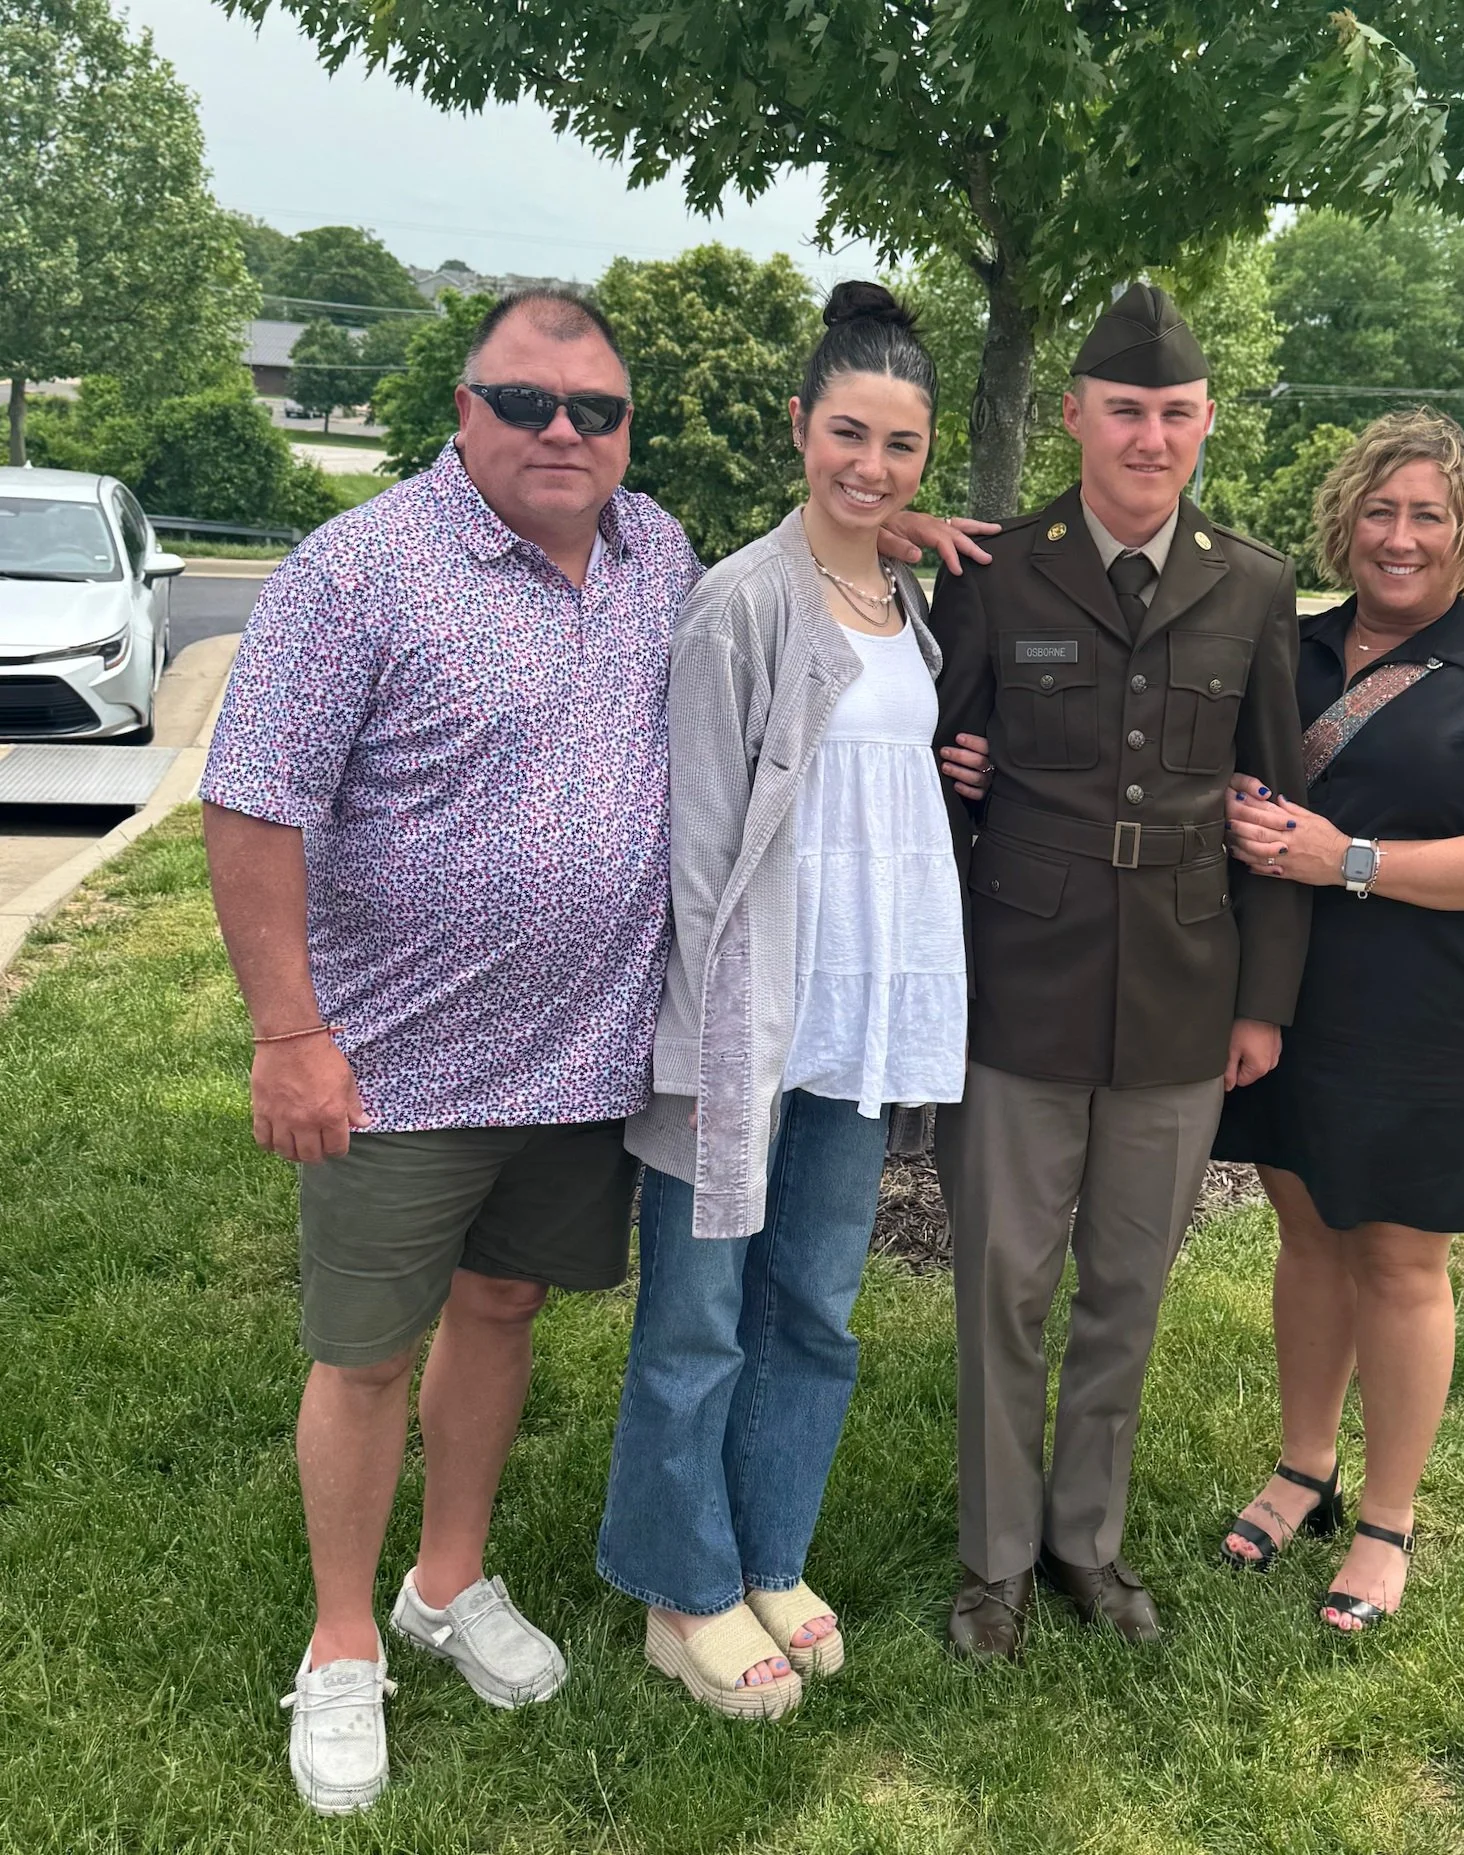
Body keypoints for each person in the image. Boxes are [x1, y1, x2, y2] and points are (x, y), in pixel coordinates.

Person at [200, 287, 992, 1813]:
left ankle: (446, 1581)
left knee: (500, 1309)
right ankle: (346, 1638)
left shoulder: (653, 556)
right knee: (365, 1353)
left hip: (581, 1056)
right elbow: (254, 799)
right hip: (395, 1059)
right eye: (525, 403)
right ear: (462, 406)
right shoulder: (358, 569)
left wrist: (889, 521)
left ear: (627, 430)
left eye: (594, 411)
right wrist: (289, 1029)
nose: (562, 432)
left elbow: (813, 575)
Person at [599, 282, 970, 1717]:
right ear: (798, 429)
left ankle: (769, 1549)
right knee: (697, 1317)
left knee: (812, 1304)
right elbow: (696, 848)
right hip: (742, 1022)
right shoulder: (738, 603)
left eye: (899, 445)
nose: (870, 467)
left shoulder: (902, 599)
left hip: (858, 1016)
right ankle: (678, 1583)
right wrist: (698, 1039)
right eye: (847, 434)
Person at [927, 284, 1311, 1661]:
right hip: (1013, 981)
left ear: (1203, 422)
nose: (1147, 438)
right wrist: (949, 771)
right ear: (1076, 416)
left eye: (1173, 414)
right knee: (1002, 1285)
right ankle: (991, 1562)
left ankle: (1084, 1541)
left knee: (1123, 1290)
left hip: (1180, 988)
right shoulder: (990, 567)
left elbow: (1275, 802)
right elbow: (921, 765)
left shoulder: (1252, 581)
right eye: (1124, 411)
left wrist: (1260, 1000)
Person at [1215, 408, 1464, 1632]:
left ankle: (1385, 1521)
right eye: (1380, 509)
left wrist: (1346, 859)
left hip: (1430, 1015)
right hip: (1288, 1002)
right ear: (1344, 523)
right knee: (1308, 1235)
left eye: (1429, 513)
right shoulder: (1288, 652)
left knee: (1400, 1259)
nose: (1401, 535)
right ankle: (1301, 1466)